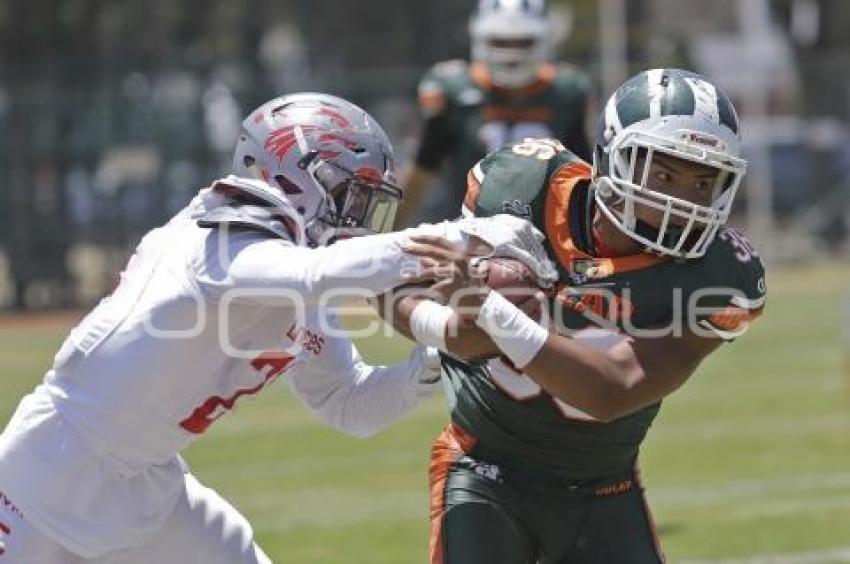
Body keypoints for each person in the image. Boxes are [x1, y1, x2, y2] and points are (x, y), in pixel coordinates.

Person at [0, 92, 550, 563]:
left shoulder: (294, 276)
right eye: (353, 196)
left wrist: (435, 361)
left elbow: (346, 402)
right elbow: (318, 273)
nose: (359, 221)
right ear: (297, 175)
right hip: (49, 470)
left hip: (146, 481)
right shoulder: (217, 236)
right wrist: (469, 236)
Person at [386, 68, 767, 563]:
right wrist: (446, 327)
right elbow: (397, 289)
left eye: (703, 180)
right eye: (665, 173)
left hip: (603, 489)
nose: (682, 200)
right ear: (612, 158)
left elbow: (611, 390)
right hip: (483, 469)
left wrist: (491, 310)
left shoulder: (719, 276)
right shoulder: (522, 186)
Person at [397, 0, 592, 226]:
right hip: (467, 232)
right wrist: (385, 230)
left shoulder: (567, 92)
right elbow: (422, 170)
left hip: (547, 235)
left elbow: (584, 177)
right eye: (500, 41)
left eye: (523, 42)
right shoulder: (454, 89)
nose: (511, 54)